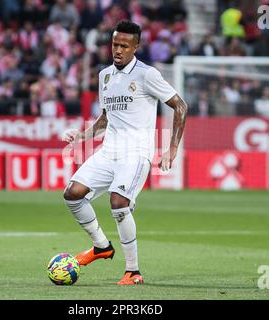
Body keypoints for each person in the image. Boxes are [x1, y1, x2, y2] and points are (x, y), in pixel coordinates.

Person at [62, 20, 188, 285]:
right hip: (109, 151)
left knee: (118, 203)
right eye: (114, 44)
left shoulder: (147, 74)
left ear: (136, 47)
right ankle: (101, 247)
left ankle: (133, 271)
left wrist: (172, 148)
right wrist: (82, 135)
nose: (117, 50)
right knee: (72, 194)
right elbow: (106, 118)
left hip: (136, 152)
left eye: (124, 45)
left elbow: (180, 106)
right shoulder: (104, 76)